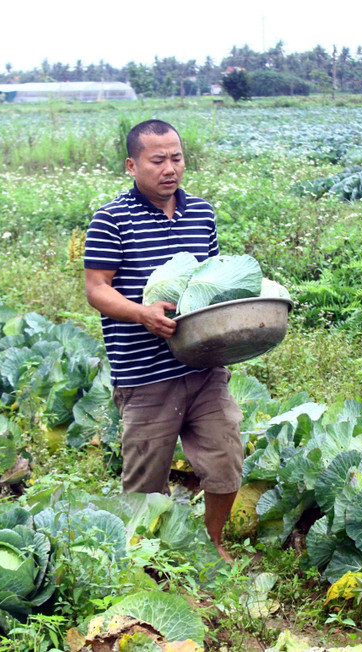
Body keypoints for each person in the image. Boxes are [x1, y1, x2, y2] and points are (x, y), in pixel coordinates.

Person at [83, 119, 243, 561]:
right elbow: (96, 287)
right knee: (145, 481)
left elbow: (211, 281)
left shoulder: (202, 213)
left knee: (226, 456)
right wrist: (141, 313)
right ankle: (142, 554)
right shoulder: (111, 219)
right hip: (145, 372)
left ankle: (213, 544)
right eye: (157, 160)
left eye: (176, 157)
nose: (169, 168)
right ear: (132, 165)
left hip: (203, 366)